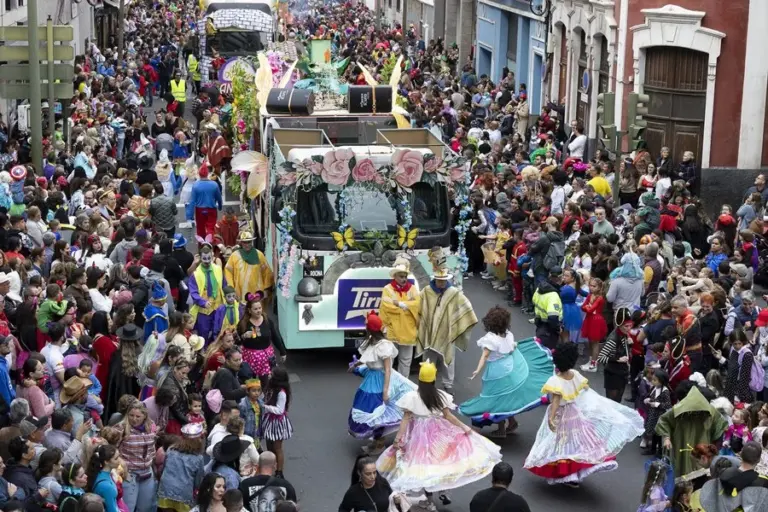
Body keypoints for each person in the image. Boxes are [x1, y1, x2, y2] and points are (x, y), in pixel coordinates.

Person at [376, 361, 501, 505]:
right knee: (443, 462)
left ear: (420, 380)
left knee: (425, 468)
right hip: (439, 432)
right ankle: (444, 490)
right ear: (434, 380)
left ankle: (429, 502)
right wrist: (464, 427)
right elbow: (448, 416)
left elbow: (405, 419)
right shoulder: (440, 396)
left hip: (418, 436)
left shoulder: (411, 397)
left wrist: (398, 439)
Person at [524, 343, 644, 487]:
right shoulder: (575, 375)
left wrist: (551, 417)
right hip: (574, 412)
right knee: (577, 442)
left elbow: (556, 401)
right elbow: (585, 389)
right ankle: (574, 473)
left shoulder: (555, 380)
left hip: (562, 415)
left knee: (559, 443)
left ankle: (567, 473)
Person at [459, 307, 553, 438]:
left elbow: (485, 356)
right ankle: (509, 424)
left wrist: (477, 370)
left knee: (497, 399)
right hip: (511, 368)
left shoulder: (491, 339)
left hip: (497, 373)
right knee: (506, 397)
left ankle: (492, 430)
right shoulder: (508, 334)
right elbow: (511, 347)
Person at [347, 311, 416, 454]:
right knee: (369, 411)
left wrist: (385, 391)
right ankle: (376, 440)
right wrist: (355, 366)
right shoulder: (372, 341)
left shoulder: (384, 346)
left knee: (376, 413)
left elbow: (387, 369)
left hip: (379, 383)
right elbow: (368, 361)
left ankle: (379, 443)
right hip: (371, 380)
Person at [416, 255, 478, 394]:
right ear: (435, 279)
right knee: (428, 359)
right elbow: (418, 308)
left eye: (444, 280)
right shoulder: (426, 291)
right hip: (430, 332)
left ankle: (448, 384)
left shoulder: (454, 293)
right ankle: (427, 383)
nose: (442, 283)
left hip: (447, 332)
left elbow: (466, 306)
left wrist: (469, 318)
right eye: (440, 280)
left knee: (448, 360)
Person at [656, 382, 728, 478]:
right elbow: (664, 421)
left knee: (701, 477)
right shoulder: (678, 410)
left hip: (702, 451)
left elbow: (720, 427)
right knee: (683, 478)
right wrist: (666, 437)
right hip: (682, 450)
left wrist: (714, 450)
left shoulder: (711, 412)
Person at [378, 257, 420, 378]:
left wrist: (399, 304)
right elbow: (386, 306)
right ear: (395, 276)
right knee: (389, 359)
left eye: (405, 276)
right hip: (392, 330)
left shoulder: (412, 289)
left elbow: (417, 305)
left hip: (408, 330)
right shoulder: (387, 289)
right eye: (401, 276)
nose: (404, 279)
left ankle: (403, 384)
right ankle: (388, 383)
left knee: (406, 361)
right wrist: (407, 305)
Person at [157, 423, 206, 512]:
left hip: (166, 490)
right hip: (184, 494)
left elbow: (164, 468)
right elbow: (198, 481)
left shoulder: (171, 450)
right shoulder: (198, 458)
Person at [224, 231, 273, 302]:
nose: (247, 244)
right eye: (244, 242)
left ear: (252, 242)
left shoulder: (259, 255)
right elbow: (228, 272)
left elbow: (267, 272)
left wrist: (266, 290)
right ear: (241, 243)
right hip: (239, 294)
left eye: (249, 242)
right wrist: (231, 289)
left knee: (257, 312)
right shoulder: (234, 256)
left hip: (257, 294)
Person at [189, 244, 224, 342]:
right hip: (203, 311)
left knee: (217, 333)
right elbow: (194, 293)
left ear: (212, 257)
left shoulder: (218, 269)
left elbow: (223, 285)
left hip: (217, 308)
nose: (207, 261)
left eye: (209, 258)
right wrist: (203, 302)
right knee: (203, 334)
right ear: (200, 258)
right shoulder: (195, 275)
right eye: (204, 259)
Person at [261, 367, 292, 479]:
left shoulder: (282, 393)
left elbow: (279, 410)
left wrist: (265, 407)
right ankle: (271, 466)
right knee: (269, 445)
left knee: (277, 447)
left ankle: (279, 472)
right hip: (269, 420)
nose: (269, 374)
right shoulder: (271, 387)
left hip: (277, 423)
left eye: (272, 374)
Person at [532, 266, 564, 350]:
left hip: (539, 326)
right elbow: (553, 317)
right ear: (560, 278)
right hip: (549, 331)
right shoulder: (553, 296)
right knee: (549, 355)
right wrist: (558, 329)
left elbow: (534, 301)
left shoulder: (539, 288)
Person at [86, 444, 120, 512]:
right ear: (106, 462)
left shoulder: (98, 473)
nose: (119, 460)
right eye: (116, 458)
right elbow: (112, 509)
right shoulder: (107, 486)